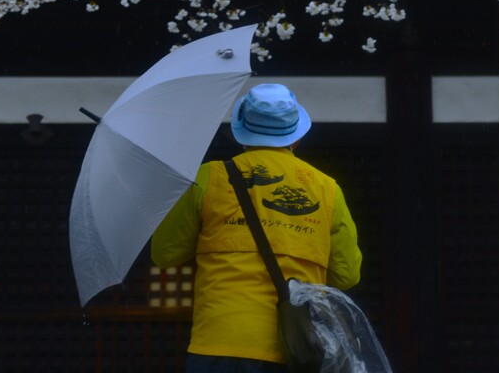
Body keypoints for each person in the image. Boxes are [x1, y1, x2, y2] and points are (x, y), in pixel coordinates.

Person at [151, 82, 362, 373]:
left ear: (242, 135)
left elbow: (164, 254)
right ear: (296, 137)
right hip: (296, 346)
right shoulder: (327, 190)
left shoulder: (208, 177)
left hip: (219, 342)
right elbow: (347, 274)